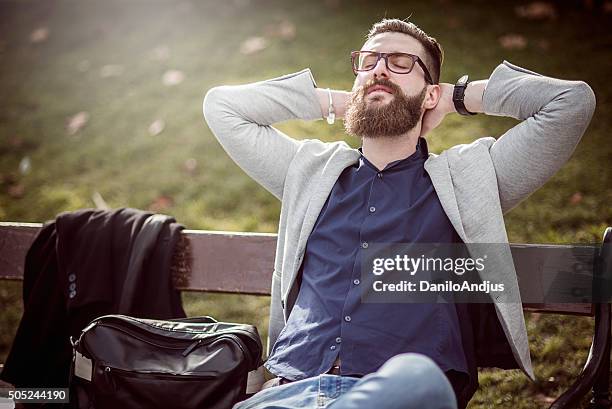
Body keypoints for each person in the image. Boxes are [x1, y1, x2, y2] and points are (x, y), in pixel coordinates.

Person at [203, 18, 595, 409]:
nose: (379, 69)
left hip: (405, 392)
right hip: (293, 393)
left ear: (429, 95)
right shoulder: (308, 174)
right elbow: (222, 106)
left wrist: (458, 97)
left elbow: (570, 103)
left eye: (400, 63)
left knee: (416, 375)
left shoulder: (467, 181)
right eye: (369, 61)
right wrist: (344, 100)